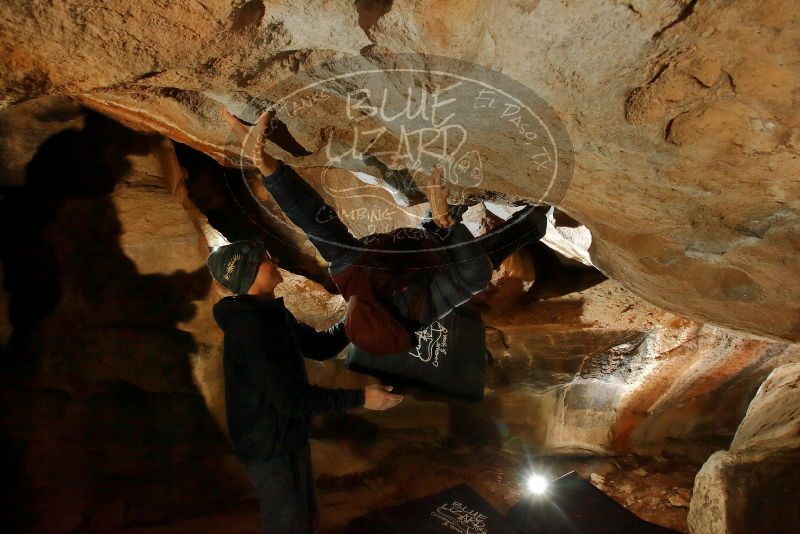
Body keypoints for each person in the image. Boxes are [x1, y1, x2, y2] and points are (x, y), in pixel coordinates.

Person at [222, 108, 549, 355]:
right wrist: (446, 222)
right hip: (424, 271)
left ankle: (525, 225)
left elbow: (313, 219)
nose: (271, 256)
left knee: (334, 231)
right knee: (501, 238)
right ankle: (533, 222)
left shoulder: (358, 279)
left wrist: (264, 163)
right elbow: (473, 275)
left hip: (397, 272)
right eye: (261, 260)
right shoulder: (415, 302)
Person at [207, 240, 403, 533]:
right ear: (247, 274)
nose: (272, 259)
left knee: (305, 519)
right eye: (263, 258)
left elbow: (320, 346)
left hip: (285, 434)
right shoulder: (250, 328)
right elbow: (291, 400)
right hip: (268, 443)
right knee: (289, 524)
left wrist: (355, 310)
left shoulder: (268, 313)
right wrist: (362, 397)